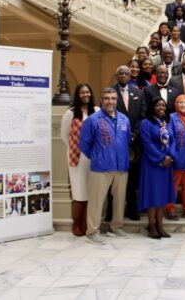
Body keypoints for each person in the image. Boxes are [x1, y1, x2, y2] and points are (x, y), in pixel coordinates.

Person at [79, 88, 131, 245]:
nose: (110, 101)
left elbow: (126, 140)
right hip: (101, 167)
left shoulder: (124, 119)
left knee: (120, 199)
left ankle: (115, 227)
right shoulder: (92, 120)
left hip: (121, 166)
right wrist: (98, 156)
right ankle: (92, 232)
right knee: (96, 200)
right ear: (101, 101)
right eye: (107, 98)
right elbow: (84, 144)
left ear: (117, 101)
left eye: (113, 98)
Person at [60, 84, 99, 236]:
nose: (85, 95)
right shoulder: (70, 113)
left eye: (87, 92)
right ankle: (76, 223)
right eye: (82, 92)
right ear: (77, 95)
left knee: (90, 191)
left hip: (93, 158)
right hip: (77, 157)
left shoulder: (96, 111)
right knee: (79, 191)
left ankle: (85, 222)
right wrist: (77, 148)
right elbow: (64, 136)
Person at [111, 66, 144, 221]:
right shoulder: (110, 92)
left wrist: (134, 133)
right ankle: (111, 212)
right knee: (114, 177)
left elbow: (142, 115)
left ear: (131, 76)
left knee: (132, 178)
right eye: (121, 73)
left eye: (126, 73)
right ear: (116, 75)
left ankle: (132, 209)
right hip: (115, 141)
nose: (124, 75)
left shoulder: (138, 92)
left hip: (134, 143)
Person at [139, 97, 175, 239]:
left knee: (162, 197)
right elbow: (147, 144)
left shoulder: (167, 123)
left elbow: (173, 140)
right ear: (152, 107)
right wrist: (161, 158)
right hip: (152, 164)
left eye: (163, 105)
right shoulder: (146, 123)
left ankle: (160, 226)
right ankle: (152, 226)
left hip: (166, 164)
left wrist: (170, 156)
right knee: (153, 196)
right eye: (158, 105)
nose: (161, 107)